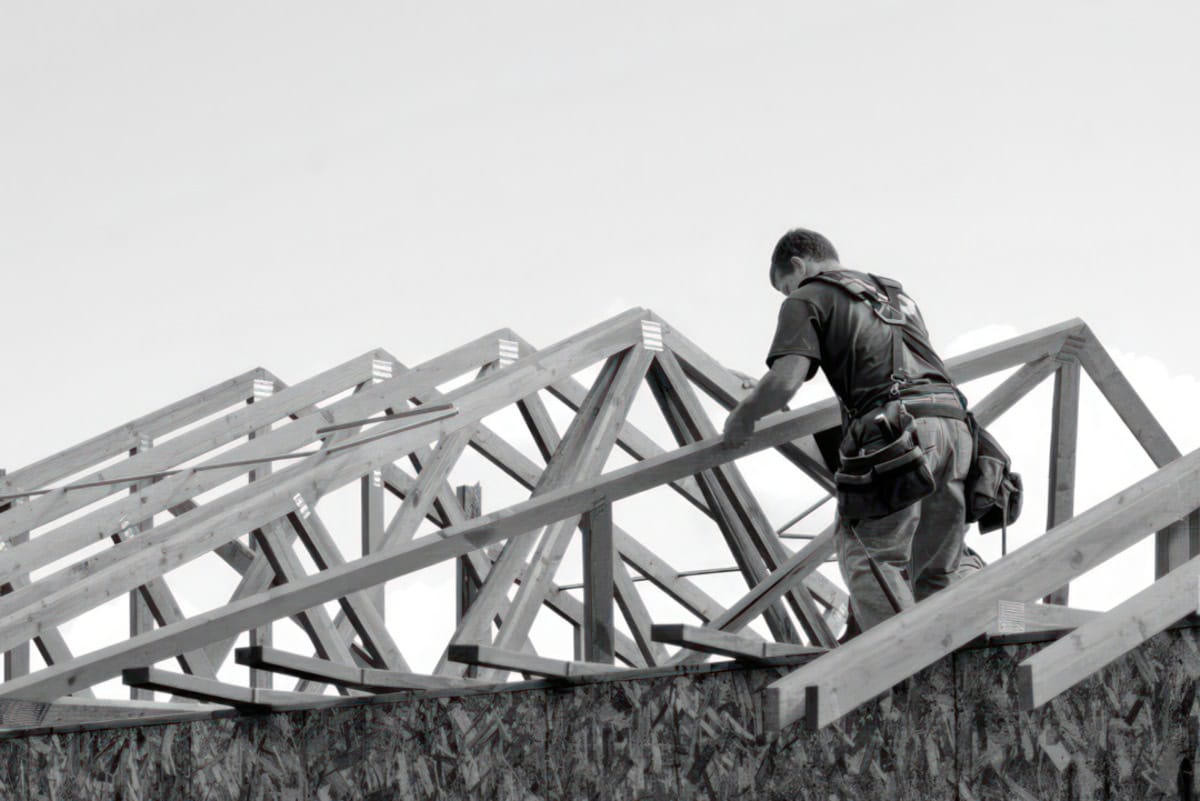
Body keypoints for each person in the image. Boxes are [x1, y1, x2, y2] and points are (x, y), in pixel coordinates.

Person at [722, 228, 975, 632]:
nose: (788, 296)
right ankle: (945, 670)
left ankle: (900, 668)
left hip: (897, 431)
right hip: (954, 429)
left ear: (798, 266)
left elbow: (786, 380)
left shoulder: (807, 296)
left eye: (784, 287)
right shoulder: (894, 295)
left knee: (868, 554)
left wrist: (744, 417)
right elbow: (884, 365)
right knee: (934, 569)